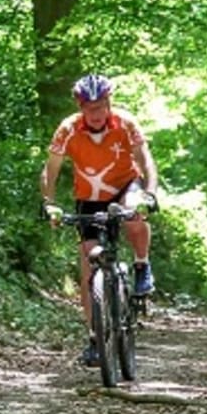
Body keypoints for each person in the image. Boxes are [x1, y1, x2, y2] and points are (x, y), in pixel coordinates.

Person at [40, 73, 160, 366]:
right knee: (88, 267)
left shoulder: (126, 123)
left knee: (133, 212)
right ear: (80, 107)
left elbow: (146, 160)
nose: (96, 113)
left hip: (125, 186)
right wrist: (49, 204)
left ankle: (142, 265)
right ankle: (95, 338)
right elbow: (50, 169)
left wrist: (150, 194)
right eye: (90, 108)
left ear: (109, 102)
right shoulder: (68, 129)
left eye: (101, 106)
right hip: (89, 197)